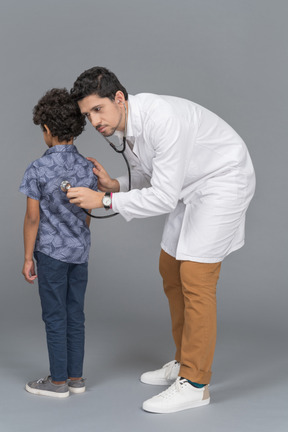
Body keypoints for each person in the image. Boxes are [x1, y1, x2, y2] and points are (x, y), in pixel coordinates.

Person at [68, 66, 256, 413]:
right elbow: (147, 177)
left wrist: (104, 201)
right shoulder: (130, 127)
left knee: (197, 278)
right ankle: (185, 360)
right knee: (170, 268)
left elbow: (164, 198)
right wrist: (116, 186)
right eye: (87, 114)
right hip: (191, 185)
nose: (94, 121)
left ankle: (196, 384)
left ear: (119, 99)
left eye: (98, 109)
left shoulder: (161, 119)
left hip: (223, 180)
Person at [20, 88, 98, 398]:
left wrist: (28, 258)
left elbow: (32, 219)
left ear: (48, 131)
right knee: (75, 313)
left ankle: (57, 382)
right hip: (79, 253)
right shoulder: (87, 168)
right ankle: (76, 378)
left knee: (55, 315)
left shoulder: (38, 169)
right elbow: (88, 212)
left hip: (50, 255)